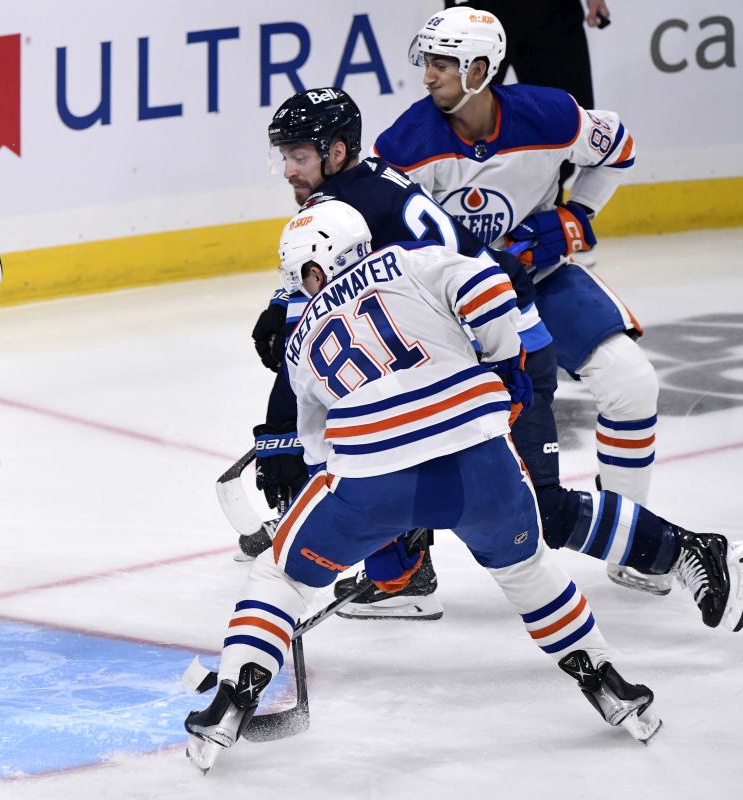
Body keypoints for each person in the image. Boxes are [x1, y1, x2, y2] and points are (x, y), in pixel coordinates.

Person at [186, 199, 660, 773]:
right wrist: (507, 366)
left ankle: (234, 696)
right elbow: (489, 286)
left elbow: (319, 456)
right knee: (526, 568)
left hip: (371, 477)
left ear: (307, 270)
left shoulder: (301, 339)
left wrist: (377, 538)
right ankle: (606, 681)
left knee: (280, 572)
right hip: (480, 459)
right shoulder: (409, 259)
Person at [252, 86, 742, 631]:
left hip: (507, 345)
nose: (289, 170)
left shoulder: (344, 211)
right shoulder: (363, 192)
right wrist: (285, 302)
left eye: (299, 156)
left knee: (539, 507)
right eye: (284, 156)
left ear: (336, 153)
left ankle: (690, 551)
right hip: (492, 339)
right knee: (393, 448)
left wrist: (281, 433)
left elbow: (321, 337)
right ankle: (406, 573)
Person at [376, 7, 691, 597]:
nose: (428, 76)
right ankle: (404, 573)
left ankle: (633, 543)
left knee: (631, 383)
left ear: (479, 69)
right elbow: (388, 242)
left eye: (443, 64)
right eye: (429, 62)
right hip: (453, 308)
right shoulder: (405, 145)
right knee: (417, 418)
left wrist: (575, 218)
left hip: (539, 280)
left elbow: (619, 147)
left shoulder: (550, 113)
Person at [445, 0, 612, 203]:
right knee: (462, 110)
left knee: (566, 117)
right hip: (482, 8)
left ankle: (546, 219)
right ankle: (457, 211)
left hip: (550, 11)